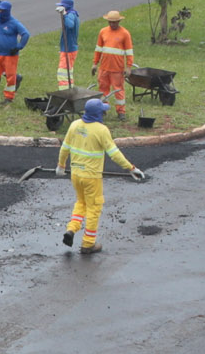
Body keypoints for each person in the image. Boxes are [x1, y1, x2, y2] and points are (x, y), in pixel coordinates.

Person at [56, 98, 146, 253]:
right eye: (103, 112)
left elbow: (64, 149)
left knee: (81, 203)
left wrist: (61, 165)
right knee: (94, 208)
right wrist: (131, 168)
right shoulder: (101, 130)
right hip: (91, 177)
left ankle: (71, 229)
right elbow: (114, 154)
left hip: (76, 174)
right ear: (98, 114)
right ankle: (88, 244)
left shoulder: (74, 125)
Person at [93, 9, 134, 116]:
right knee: (103, 89)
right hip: (104, 68)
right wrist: (95, 64)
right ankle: (103, 108)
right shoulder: (103, 32)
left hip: (117, 69)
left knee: (118, 90)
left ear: (119, 21)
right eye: (110, 22)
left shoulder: (125, 33)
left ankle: (121, 112)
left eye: (114, 22)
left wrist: (128, 67)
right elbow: (98, 49)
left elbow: (129, 52)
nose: (112, 24)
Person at [53, 0, 81, 90]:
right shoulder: (72, 14)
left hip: (69, 49)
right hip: (68, 48)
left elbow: (70, 25)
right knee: (68, 72)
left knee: (62, 73)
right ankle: (70, 89)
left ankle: (64, 91)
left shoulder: (71, 15)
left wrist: (64, 14)